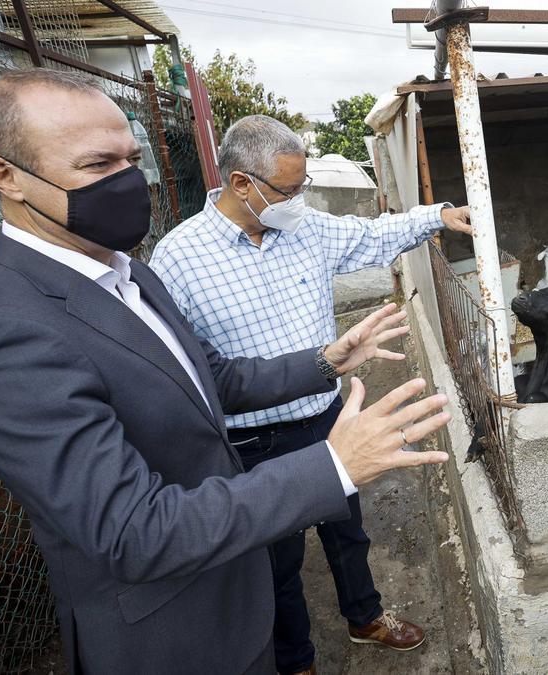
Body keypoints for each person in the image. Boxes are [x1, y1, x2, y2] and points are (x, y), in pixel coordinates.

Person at [0, 68, 454, 675]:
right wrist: (334, 465)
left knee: (340, 547)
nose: (130, 182)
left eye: (132, 159)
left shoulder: (130, 276)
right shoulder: (0, 331)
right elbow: (133, 531)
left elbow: (214, 381)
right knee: (285, 573)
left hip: (233, 585)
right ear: (5, 177)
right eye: (98, 166)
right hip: (180, 639)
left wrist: (324, 361)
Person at [148, 115, 472, 675]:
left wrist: (438, 216)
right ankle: (296, 660)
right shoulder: (178, 260)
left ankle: (364, 617)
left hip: (326, 418)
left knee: (347, 528)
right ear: (241, 183)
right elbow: (196, 373)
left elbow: (372, 236)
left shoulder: (305, 229)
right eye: (289, 189)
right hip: (252, 440)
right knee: (276, 560)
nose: (299, 200)